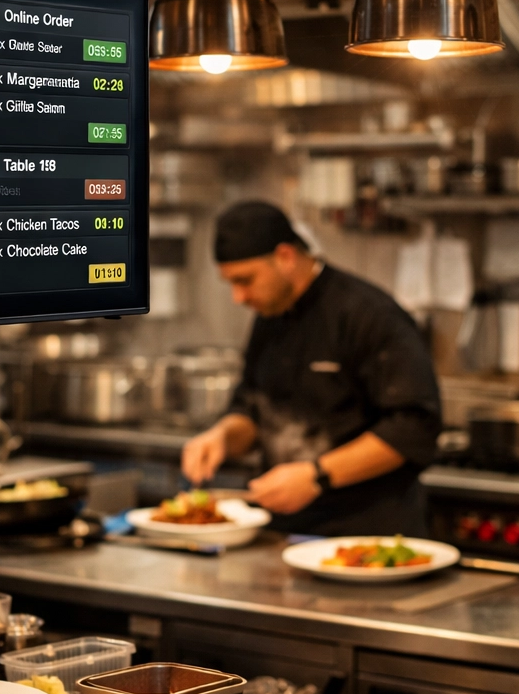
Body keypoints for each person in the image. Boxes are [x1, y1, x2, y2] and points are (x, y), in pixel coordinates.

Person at [180, 201, 442, 537]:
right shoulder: (269, 317)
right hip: (281, 532)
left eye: (245, 281)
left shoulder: (369, 315)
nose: (238, 297)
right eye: (230, 283)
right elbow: (252, 408)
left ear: (286, 257)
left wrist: (317, 476)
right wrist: (222, 436)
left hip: (367, 534)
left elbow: (414, 428)